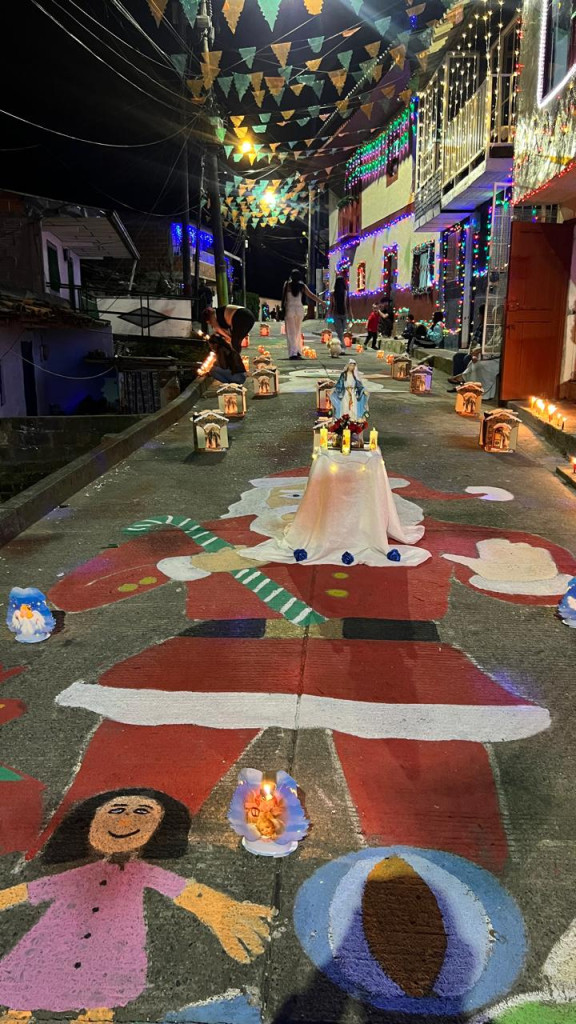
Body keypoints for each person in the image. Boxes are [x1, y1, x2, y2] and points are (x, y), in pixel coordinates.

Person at [0, 788, 273, 1017]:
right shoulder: (80, 875)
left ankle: (96, 1014)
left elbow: (184, 891)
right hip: (56, 938)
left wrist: (220, 909)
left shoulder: (142, 872)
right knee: (34, 977)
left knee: (102, 988)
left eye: (142, 811)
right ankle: (18, 1013)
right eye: (116, 809)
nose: (126, 819)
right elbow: (28, 890)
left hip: (114, 945)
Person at [282, 269, 318, 359]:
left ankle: (293, 353)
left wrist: (282, 310)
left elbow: (284, 298)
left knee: (290, 332)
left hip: (290, 309)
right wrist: (322, 302)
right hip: (299, 309)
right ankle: (298, 350)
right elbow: (312, 295)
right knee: (298, 331)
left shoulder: (287, 285)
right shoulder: (302, 286)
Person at [329, 276, 351, 346]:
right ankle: (342, 346)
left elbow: (331, 305)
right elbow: (348, 304)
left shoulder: (334, 294)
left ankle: (340, 345)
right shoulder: (344, 293)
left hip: (337, 314)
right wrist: (351, 314)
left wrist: (329, 314)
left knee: (340, 332)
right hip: (343, 313)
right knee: (341, 331)